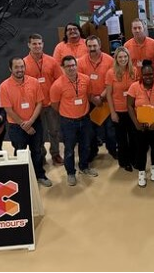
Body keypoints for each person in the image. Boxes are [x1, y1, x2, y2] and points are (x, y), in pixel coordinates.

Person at [0, 57, 52, 187]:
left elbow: (39, 103)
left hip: (35, 123)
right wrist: (24, 125)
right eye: (16, 67)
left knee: (37, 151)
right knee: (20, 151)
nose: (20, 70)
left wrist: (31, 121)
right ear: (10, 69)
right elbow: (8, 109)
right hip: (16, 127)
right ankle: (22, 178)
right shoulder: (4, 86)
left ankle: (40, 175)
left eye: (22, 66)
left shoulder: (34, 82)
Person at [50, 55, 98, 186]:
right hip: (68, 122)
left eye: (73, 65)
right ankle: (70, 173)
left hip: (85, 119)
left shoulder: (86, 79)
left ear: (76, 66)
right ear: (63, 68)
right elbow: (55, 105)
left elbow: (88, 95)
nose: (71, 68)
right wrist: (68, 111)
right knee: (69, 149)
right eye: (68, 66)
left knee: (85, 145)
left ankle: (84, 167)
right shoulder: (57, 85)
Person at [127, 60, 154, 187]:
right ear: (141, 75)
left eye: (150, 74)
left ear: (153, 74)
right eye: (145, 75)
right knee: (141, 149)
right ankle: (141, 172)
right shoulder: (134, 87)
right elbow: (129, 106)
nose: (148, 77)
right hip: (140, 125)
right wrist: (136, 123)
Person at [25, 34, 64, 165]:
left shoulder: (52, 61)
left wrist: (57, 100)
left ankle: (55, 153)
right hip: (35, 106)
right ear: (29, 45)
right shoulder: (24, 63)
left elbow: (59, 81)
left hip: (51, 103)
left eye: (39, 43)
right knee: (38, 133)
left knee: (54, 130)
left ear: (43, 44)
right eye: (34, 44)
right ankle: (41, 154)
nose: (37, 46)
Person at [77, 35, 116, 161]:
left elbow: (112, 82)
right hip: (89, 101)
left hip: (106, 100)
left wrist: (101, 96)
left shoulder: (110, 60)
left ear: (100, 45)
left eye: (94, 45)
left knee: (110, 129)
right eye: (89, 46)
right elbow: (80, 83)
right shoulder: (81, 62)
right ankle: (93, 152)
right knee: (90, 130)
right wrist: (93, 98)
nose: (92, 48)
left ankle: (113, 150)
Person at [105, 47, 138, 172]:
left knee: (134, 136)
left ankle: (134, 159)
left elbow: (138, 90)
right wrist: (112, 112)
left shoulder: (134, 71)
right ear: (116, 59)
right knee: (121, 139)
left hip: (132, 110)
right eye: (120, 57)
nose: (123, 59)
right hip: (119, 111)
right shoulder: (110, 73)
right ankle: (125, 161)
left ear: (128, 57)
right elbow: (108, 94)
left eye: (125, 56)